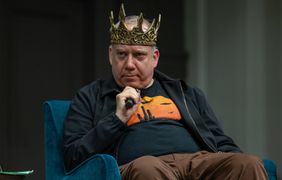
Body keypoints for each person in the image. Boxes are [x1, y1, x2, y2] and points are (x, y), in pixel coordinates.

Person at [63, 4, 268, 180]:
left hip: (196, 163)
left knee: (248, 163)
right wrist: (117, 119)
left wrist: (232, 160)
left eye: (139, 55)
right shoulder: (90, 96)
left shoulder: (185, 93)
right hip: (140, 167)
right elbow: (73, 156)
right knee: (148, 167)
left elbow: (219, 140)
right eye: (122, 54)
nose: (129, 64)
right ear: (110, 55)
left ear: (155, 58)